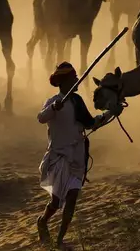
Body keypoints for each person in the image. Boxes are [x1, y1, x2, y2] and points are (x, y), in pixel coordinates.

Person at [36, 62, 121, 250]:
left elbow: (91, 123)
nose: (77, 81)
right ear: (65, 82)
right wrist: (54, 108)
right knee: (56, 202)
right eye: (74, 79)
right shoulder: (52, 101)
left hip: (76, 157)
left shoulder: (77, 101)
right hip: (58, 157)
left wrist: (110, 113)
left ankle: (59, 240)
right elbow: (41, 118)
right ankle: (42, 221)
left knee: (72, 197)